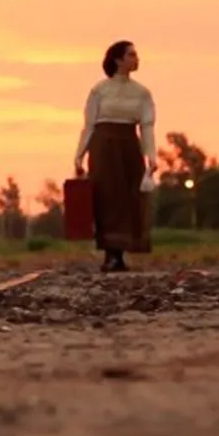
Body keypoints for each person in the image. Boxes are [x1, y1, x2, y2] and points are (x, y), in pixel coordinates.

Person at [73, 40, 157, 272]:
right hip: (104, 146)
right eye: (131, 55)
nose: (136, 59)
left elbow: (147, 126)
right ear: (118, 59)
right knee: (107, 197)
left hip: (129, 145)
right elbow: (89, 125)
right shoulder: (100, 90)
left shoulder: (142, 93)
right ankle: (110, 254)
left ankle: (122, 252)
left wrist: (151, 155)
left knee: (129, 196)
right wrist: (79, 155)